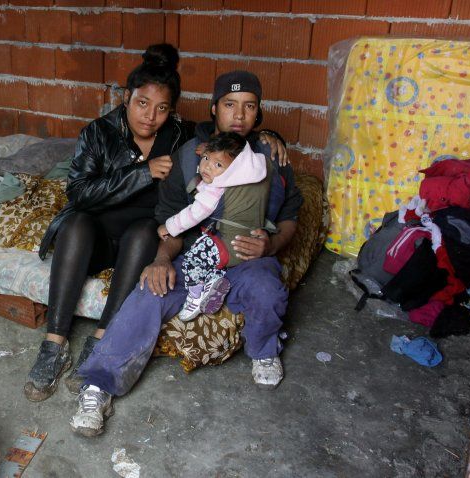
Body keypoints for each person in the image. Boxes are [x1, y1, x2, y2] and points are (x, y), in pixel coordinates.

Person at [69, 70, 303, 436]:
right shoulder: (190, 157)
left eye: (249, 106)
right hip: (195, 258)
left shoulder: (271, 156)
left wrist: (271, 245)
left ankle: (265, 351)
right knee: (148, 292)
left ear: (259, 113)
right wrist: (162, 259)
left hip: (246, 259)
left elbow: (289, 216)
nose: (238, 115)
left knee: (267, 289)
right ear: (214, 108)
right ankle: (99, 384)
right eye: (229, 105)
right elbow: (170, 221)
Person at [23, 43, 194, 402]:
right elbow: (79, 193)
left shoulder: (180, 136)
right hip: (95, 241)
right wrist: (143, 172)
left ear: (172, 110)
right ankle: (54, 344)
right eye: (142, 103)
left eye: (162, 108)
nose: (150, 116)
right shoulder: (99, 132)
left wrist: (268, 138)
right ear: (126, 97)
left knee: (145, 230)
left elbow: (228, 135)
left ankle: (102, 339)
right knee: (75, 224)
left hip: (139, 246)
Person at [157, 132, 271, 320]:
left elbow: (194, 214)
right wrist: (215, 157)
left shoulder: (217, 188)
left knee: (193, 259)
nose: (207, 166)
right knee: (208, 260)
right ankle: (213, 283)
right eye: (205, 159)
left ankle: (195, 296)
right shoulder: (250, 171)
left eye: (218, 165)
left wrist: (168, 227)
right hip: (242, 245)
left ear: (234, 168)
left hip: (227, 245)